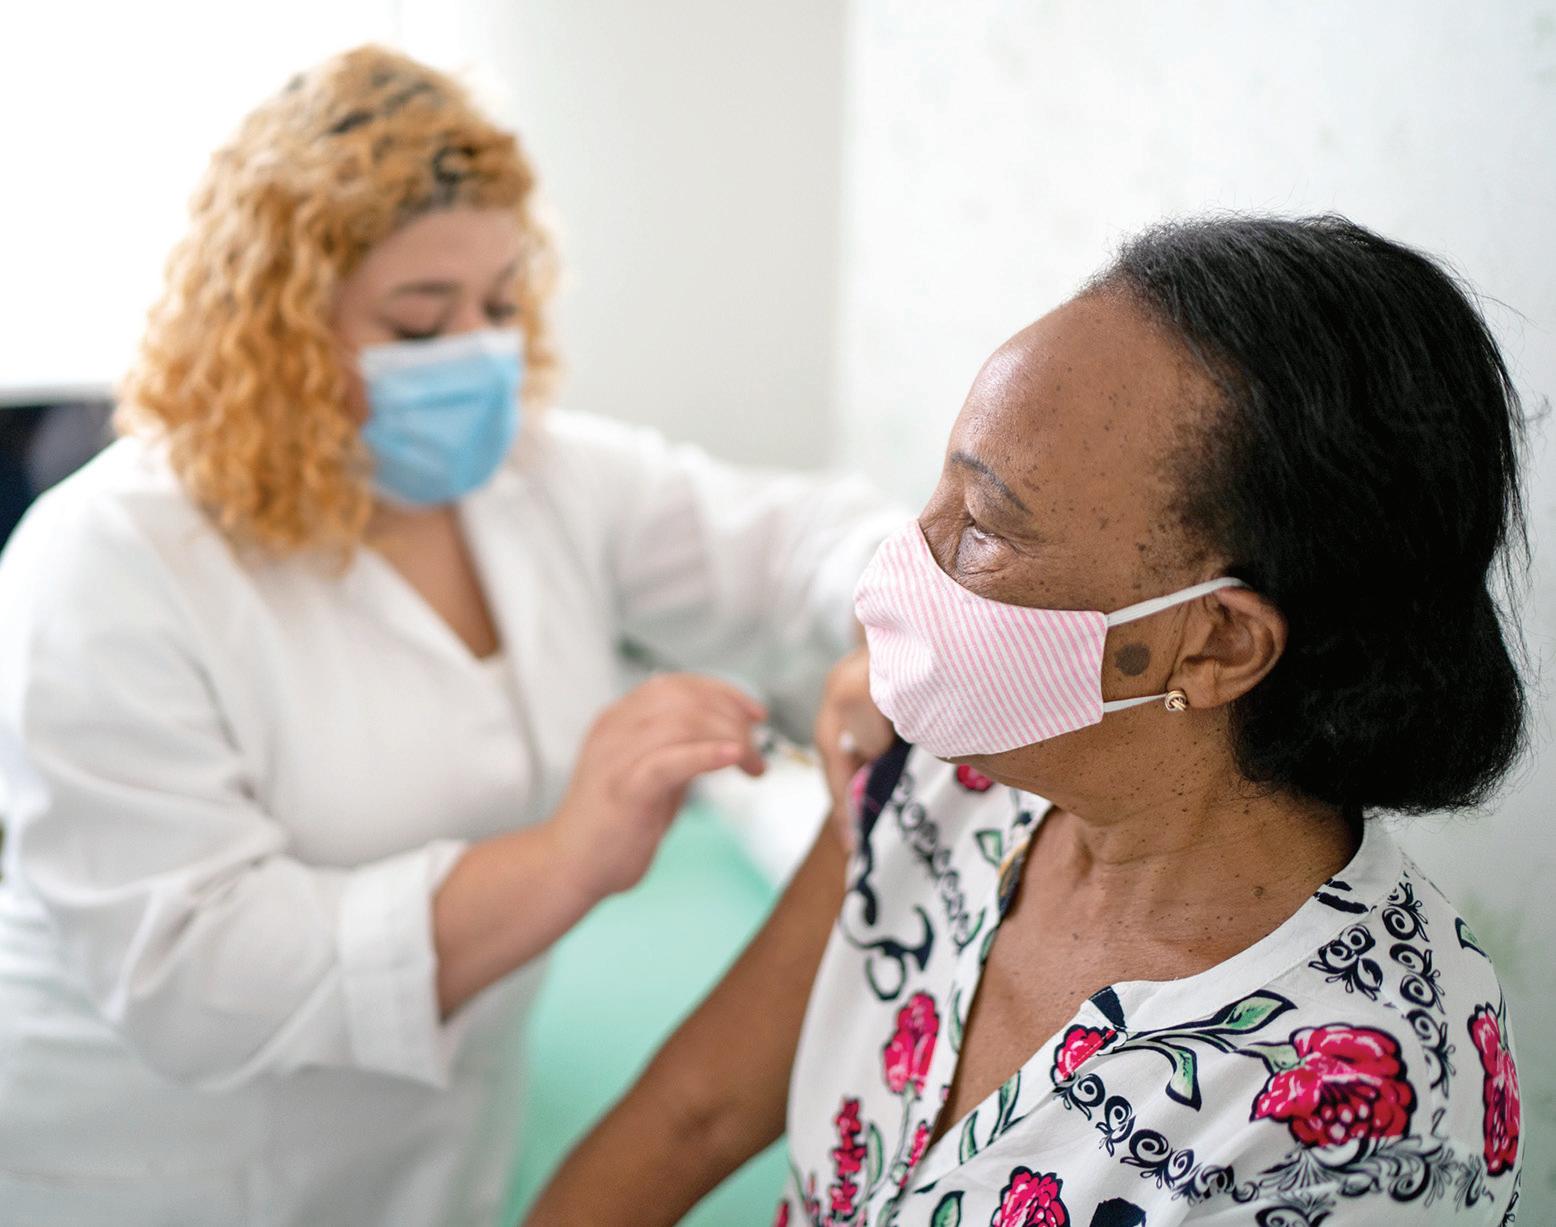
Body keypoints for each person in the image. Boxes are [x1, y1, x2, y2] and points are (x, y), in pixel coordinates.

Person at [0, 46, 898, 1226]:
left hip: (440, 1147)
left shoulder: (537, 478)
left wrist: (914, 627)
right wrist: (567, 855)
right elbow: (195, 980)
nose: (477, 351)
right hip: (152, 1160)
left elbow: (800, 544)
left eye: (501, 305)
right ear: (271, 333)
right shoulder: (108, 562)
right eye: (420, 322)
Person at [525, 215, 1528, 1226]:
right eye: (941, 487)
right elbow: (691, 1115)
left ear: (1216, 644)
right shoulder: (947, 775)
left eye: (983, 529)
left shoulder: (1369, 1115)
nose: (905, 561)